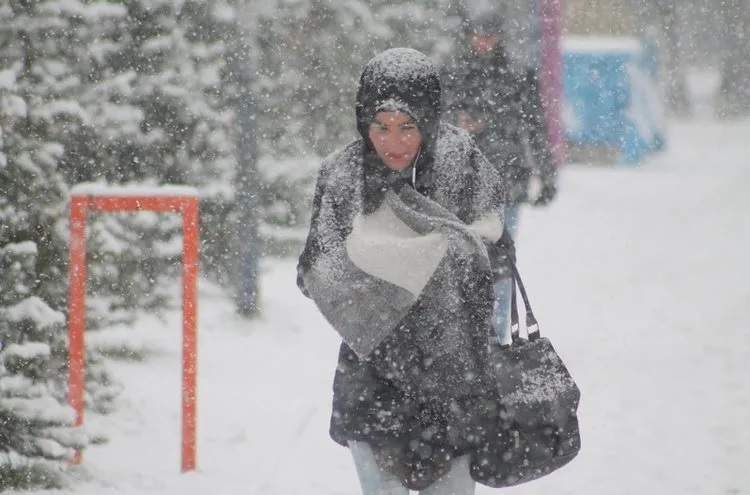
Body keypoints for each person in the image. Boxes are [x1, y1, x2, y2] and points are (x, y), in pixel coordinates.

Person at [296, 47, 511, 495]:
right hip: (374, 374)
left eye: (408, 127)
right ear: (363, 121)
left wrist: (413, 260)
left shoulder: (462, 164)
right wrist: (388, 277)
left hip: (453, 380)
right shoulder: (343, 177)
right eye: (381, 126)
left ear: (428, 120)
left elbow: (492, 255)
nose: (394, 143)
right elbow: (314, 270)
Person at [442, 11, 558, 345]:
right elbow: (435, 123)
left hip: (506, 182)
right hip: (460, 185)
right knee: (462, 263)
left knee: (500, 264)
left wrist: (546, 176)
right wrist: (460, 123)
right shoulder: (454, 74)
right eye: (478, 35)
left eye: (490, 35)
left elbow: (535, 129)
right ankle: (469, 339)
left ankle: (493, 340)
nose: (483, 42)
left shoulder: (517, 76)